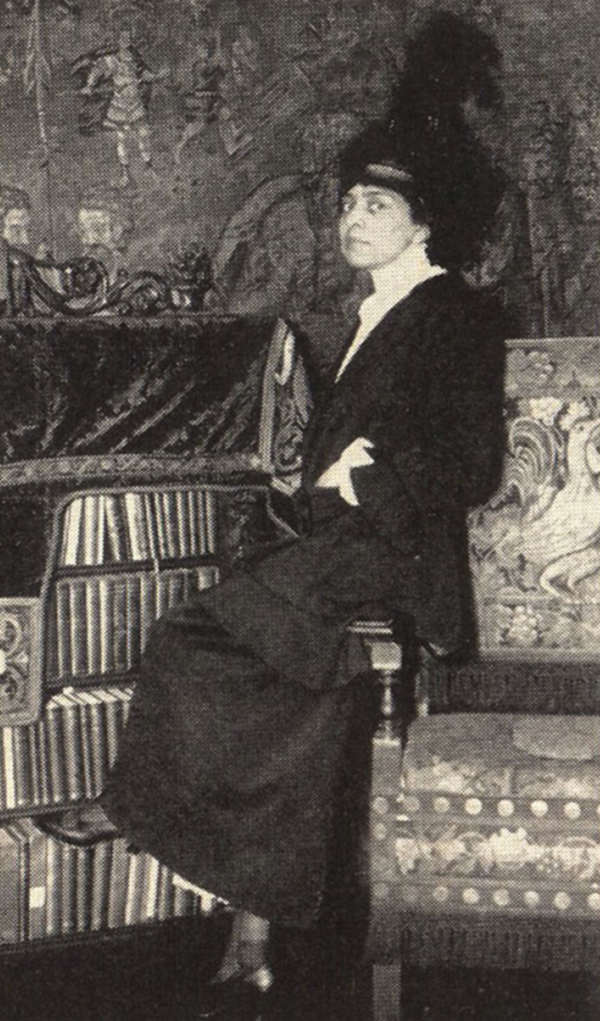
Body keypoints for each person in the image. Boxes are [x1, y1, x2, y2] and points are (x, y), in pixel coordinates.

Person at [99, 12, 512, 1017]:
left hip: (397, 559)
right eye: (349, 206)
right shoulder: (372, 314)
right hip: (344, 553)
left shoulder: (452, 310)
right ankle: (254, 934)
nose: (351, 221)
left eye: (375, 206)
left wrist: (365, 472)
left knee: (196, 637)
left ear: (421, 224)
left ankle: (225, 897)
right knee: (267, 675)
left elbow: (472, 463)